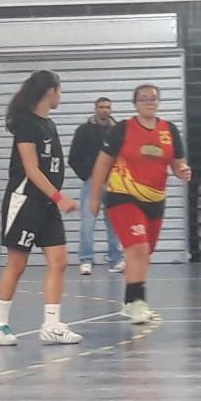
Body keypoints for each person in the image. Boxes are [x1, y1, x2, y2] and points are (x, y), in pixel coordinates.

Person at [0, 70, 84, 347]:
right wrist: (59, 197)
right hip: (25, 201)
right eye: (59, 90)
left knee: (59, 261)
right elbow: (31, 169)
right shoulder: (26, 125)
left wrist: (54, 199)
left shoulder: (48, 125)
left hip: (46, 204)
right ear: (50, 91)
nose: (61, 95)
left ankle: (51, 325)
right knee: (17, 264)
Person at [85, 83, 191, 324]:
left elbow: (177, 163)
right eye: (144, 98)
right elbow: (102, 163)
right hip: (123, 196)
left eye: (154, 98)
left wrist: (182, 171)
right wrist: (95, 197)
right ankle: (138, 302)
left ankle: (128, 302)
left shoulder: (169, 130)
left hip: (154, 199)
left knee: (144, 253)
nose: (149, 102)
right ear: (135, 103)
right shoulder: (122, 129)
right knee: (138, 248)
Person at [65, 96, 120, 276]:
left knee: (114, 224)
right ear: (95, 109)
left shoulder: (118, 131)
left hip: (113, 183)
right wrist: (86, 174)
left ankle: (115, 259)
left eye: (108, 107)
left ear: (111, 110)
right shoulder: (84, 130)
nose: (105, 110)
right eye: (101, 107)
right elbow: (73, 157)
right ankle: (86, 259)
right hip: (92, 182)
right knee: (87, 223)